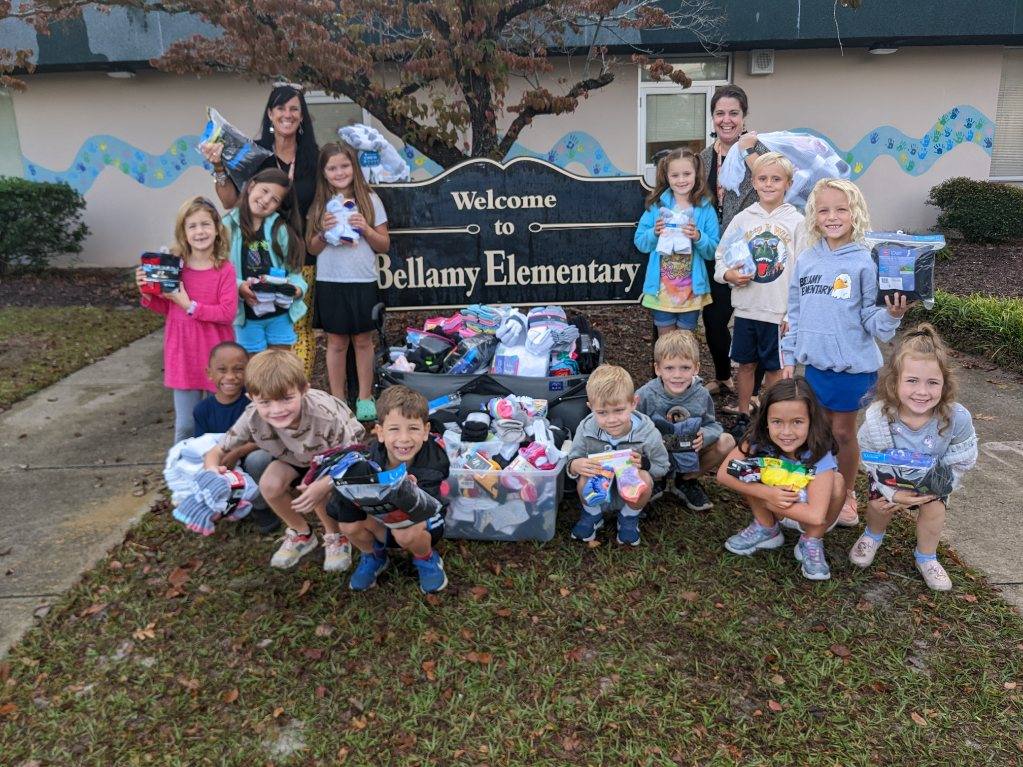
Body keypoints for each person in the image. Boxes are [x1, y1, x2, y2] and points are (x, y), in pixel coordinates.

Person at [780, 178, 909, 527]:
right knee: (814, 433)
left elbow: (872, 318)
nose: (833, 216)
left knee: (842, 433)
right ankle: (817, 488)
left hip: (852, 367)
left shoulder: (866, 261)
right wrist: (788, 359)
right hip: (815, 367)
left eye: (841, 209)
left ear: (855, 213)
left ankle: (847, 492)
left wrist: (892, 315)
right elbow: (793, 314)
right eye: (824, 209)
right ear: (814, 216)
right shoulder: (806, 259)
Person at [203, 349, 365, 571]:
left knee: (312, 485)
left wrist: (324, 484)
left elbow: (354, 455)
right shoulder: (251, 415)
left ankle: (335, 535)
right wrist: (212, 470)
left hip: (336, 458)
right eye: (266, 402)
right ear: (251, 398)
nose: (277, 410)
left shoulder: (324, 415)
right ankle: (302, 533)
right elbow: (217, 451)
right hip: (294, 457)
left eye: (286, 398)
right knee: (269, 484)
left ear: (303, 390)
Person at [200, 83, 320, 378]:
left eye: (294, 108)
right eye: (280, 108)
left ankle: (292, 390)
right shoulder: (252, 155)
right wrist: (218, 167)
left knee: (296, 328)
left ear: (303, 116)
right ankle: (264, 394)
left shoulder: (314, 158)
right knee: (253, 333)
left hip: (298, 255)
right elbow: (231, 201)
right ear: (270, 113)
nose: (287, 114)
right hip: (252, 256)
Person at [850, 324, 978, 591]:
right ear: (894, 382)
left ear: (945, 384)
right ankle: (873, 534)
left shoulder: (957, 418)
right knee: (878, 505)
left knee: (935, 510)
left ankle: (926, 556)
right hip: (889, 478)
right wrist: (892, 493)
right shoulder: (879, 416)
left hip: (932, 482)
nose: (922, 392)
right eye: (912, 381)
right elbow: (872, 459)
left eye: (932, 382)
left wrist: (935, 490)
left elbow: (962, 458)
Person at [714, 152, 808, 435]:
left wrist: (793, 313)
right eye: (763, 178)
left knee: (775, 371)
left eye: (776, 179)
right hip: (747, 308)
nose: (769, 184)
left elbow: (803, 270)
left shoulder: (797, 222)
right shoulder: (743, 219)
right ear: (753, 182)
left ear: (788, 184)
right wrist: (728, 275)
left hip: (778, 312)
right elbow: (722, 256)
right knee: (745, 364)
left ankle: (772, 418)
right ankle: (744, 415)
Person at [717, 377, 845, 581]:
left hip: (809, 513)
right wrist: (766, 492)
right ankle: (766, 528)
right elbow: (724, 474)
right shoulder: (758, 441)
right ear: (766, 421)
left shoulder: (820, 451)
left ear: (812, 421)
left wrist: (770, 502)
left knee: (837, 482)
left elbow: (816, 516)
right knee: (749, 467)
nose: (786, 432)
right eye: (777, 422)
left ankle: (811, 540)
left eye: (797, 422)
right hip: (777, 500)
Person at [328, 385, 450, 593]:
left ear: (425, 431)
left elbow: (430, 506)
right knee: (347, 524)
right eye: (394, 429)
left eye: (413, 428)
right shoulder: (369, 455)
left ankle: (426, 559)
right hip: (380, 519)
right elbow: (340, 505)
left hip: (420, 522)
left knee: (405, 533)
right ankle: (374, 556)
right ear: (380, 432)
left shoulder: (434, 459)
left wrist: (412, 492)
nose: (404, 438)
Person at [136, 196, 238, 443]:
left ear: (217, 230)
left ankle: (222, 474)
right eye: (192, 226)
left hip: (217, 357)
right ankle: (181, 477)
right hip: (183, 354)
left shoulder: (224, 269)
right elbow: (168, 307)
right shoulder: (174, 267)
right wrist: (146, 291)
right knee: (185, 426)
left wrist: (189, 305)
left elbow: (227, 313)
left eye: (205, 224)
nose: (199, 231)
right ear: (183, 231)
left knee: (221, 427)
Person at [306, 141, 391, 421]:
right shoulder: (320, 204)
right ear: (324, 172)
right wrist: (321, 232)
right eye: (332, 168)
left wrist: (365, 228)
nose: (339, 172)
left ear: (354, 167)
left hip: (362, 279)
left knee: (363, 341)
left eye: (345, 165)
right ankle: (338, 399)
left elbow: (384, 245)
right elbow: (312, 248)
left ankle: (365, 398)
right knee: (336, 342)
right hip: (331, 280)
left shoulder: (369, 199)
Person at [699, 84, 770, 396]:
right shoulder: (702, 158)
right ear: (712, 117)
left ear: (744, 117)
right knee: (714, 320)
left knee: (757, 320)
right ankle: (725, 376)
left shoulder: (759, 152)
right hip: (716, 252)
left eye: (733, 113)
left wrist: (749, 150)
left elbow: (771, 182)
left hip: (754, 249)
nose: (726, 120)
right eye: (719, 113)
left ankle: (754, 390)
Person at [566, 364, 670, 546]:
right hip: (596, 494)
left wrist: (645, 464)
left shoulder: (647, 433)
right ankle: (592, 514)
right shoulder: (586, 428)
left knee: (644, 478)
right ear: (591, 408)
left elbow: (663, 466)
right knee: (584, 475)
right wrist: (575, 465)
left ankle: (629, 518)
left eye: (619, 410)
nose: (612, 419)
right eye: (602, 413)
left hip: (630, 496)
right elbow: (572, 459)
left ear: (633, 403)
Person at [636, 330, 735, 511]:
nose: (677, 375)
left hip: (688, 451)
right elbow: (629, 425)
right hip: (655, 453)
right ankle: (656, 479)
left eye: (685, 368)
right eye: (669, 368)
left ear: (696, 368)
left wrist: (705, 435)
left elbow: (712, 424)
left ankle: (686, 481)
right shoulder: (645, 394)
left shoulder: (702, 394)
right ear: (657, 368)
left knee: (727, 441)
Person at [192, 340, 280, 534]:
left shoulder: (254, 402)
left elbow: (267, 437)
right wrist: (216, 463)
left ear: (248, 372)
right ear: (209, 373)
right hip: (222, 461)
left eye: (238, 369)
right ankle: (227, 505)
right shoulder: (202, 410)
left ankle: (262, 506)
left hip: (250, 455)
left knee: (258, 460)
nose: (230, 377)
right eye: (222, 370)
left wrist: (237, 452)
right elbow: (202, 445)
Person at [635, 148, 720, 336]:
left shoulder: (705, 208)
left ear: (696, 174)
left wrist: (698, 237)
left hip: (691, 292)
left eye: (687, 174)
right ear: (667, 176)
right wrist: (654, 233)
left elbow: (713, 250)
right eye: (675, 175)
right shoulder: (657, 206)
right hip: (661, 292)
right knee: (666, 344)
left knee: (685, 343)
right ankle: (667, 367)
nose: (681, 180)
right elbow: (640, 242)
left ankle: (686, 367)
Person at [224, 168, 308, 354]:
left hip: (279, 317)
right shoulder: (226, 227)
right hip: (247, 318)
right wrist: (239, 286)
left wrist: (297, 289)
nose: (266, 200)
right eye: (264, 191)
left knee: (280, 369)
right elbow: (218, 272)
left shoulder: (281, 230)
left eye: (275, 199)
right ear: (251, 186)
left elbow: (294, 272)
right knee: (254, 371)